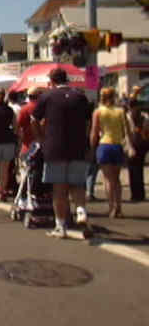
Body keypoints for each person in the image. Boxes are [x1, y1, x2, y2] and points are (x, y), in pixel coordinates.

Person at [32, 68, 90, 239]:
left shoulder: (47, 97)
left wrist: (41, 139)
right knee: (77, 184)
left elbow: (34, 120)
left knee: (59, 189)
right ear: (67, 79)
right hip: (78, 147)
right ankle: (80, 210)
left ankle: (61, 226)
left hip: (55, 147)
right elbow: (88, 121)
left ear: (52, 81)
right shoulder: (80, 96)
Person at [90, 87, 131, 218]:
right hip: (117, 146)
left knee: (108, 179)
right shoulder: (121, 111)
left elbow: (94, 132)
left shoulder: (98, 112)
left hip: (104, 145)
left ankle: (111, 207)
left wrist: (92, 147)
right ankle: (119, 207)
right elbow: (126, 131)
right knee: (117, 179)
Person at [127, 99, 149, 202]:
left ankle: (134, 194)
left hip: (132, 143)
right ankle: (141, 193)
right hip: (143, 144)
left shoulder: (128, 116)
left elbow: (126, 132)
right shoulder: (144, 116)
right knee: (139, 168)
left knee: (132, 170)